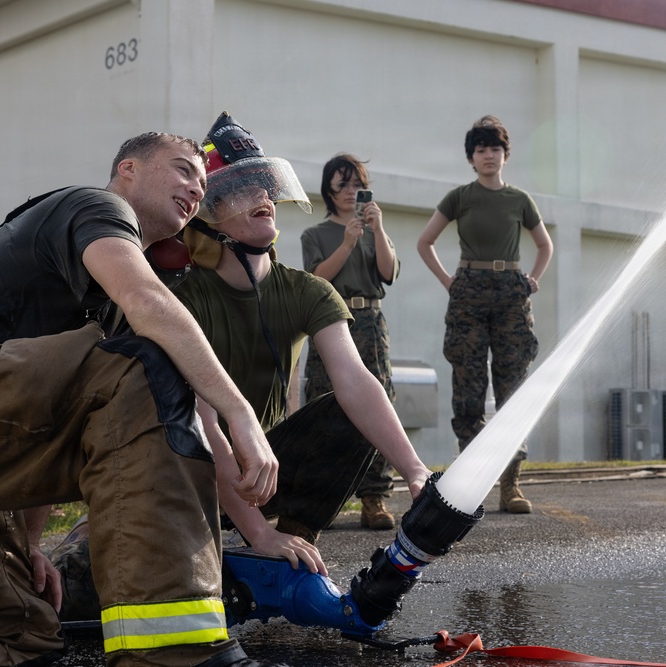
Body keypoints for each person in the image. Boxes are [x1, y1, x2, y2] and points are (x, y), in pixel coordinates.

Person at [0, 132, 288, 667]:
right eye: (182, 171)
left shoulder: (101, 317)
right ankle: (179, 655)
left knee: (24, 631)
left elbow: (45, 419)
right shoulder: (96, 206)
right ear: (127, 169)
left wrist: (30, 545)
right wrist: (238, 410)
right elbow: (145, 300)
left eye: (202, 185)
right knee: (148, 359)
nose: (195, 189)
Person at [51, 113, 432, 619]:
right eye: (242, 190)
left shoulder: (306, 289)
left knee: (348, 413)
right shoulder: (180, 298)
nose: (264, 198)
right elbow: (202, 420)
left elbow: (357, 382)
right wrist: (257, 531)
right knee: (80, 590)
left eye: (265, 186)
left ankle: (289, 550)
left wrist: (416, 472)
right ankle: (113, 537)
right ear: (207, 216)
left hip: (262, 469)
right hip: (188, 470)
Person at [416, 115, 553, 514]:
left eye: (495, 149)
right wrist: (449, 282)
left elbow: (544, 246)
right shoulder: (459, 197)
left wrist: (532, 280)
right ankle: (470, 481)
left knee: (512, 389)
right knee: (468, 386)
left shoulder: (520, 200)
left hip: (511, 293)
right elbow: (426, 243)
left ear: (505, 155)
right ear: (471, 158)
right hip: (469, 294)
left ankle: (510, 485)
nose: (488, 155)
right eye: (481, 150)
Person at [299, 154, 400, 530]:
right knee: (327, 405)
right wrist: (346, 243)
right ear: (328, 189)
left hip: (370, 321)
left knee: (378, 402)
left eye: (356, 184)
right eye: (341, 185)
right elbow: (318, 279)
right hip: (330, 320)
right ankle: (323, 497)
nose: (349, 192)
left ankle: (374, 496)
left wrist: (379, 228)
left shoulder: (376, 231)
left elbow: (388, 273)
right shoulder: (315, 234)